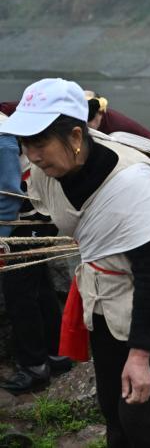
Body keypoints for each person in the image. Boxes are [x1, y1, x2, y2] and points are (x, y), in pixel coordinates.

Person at [1, 78, 150, 446]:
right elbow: (48, 215)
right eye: (25, 143)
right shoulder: (52, 171)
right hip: (104, 288)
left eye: (40, 142)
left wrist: (140, 356)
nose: (31, 154)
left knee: (142, 413)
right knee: (112, 405)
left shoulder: (131, 186)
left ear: (76, 136)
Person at [0, 124, 70, 394]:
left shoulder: (3, 139)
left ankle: (34, 366)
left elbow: (8, 195)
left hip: (27, 217)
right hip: (36, 214)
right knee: (39, 286)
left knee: (19, 292)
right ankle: (56, 354)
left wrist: (3, 238)